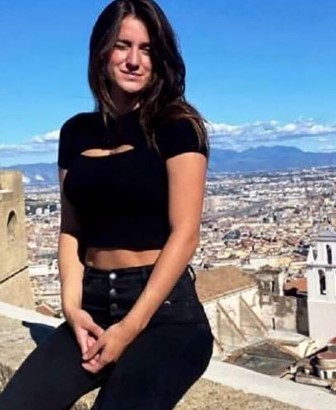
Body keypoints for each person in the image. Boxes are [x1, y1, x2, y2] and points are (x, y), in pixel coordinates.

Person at [0, 0, 214, 409]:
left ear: (160, 59)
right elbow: (71, 229)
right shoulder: (75, 133)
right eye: (122, 45)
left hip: (164, 314)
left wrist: (129, 328)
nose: (134, 60)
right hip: (93, 305)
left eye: (147, 49)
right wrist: (72, 307)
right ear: (101, 52)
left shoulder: (177, 127)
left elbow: (185, 234)